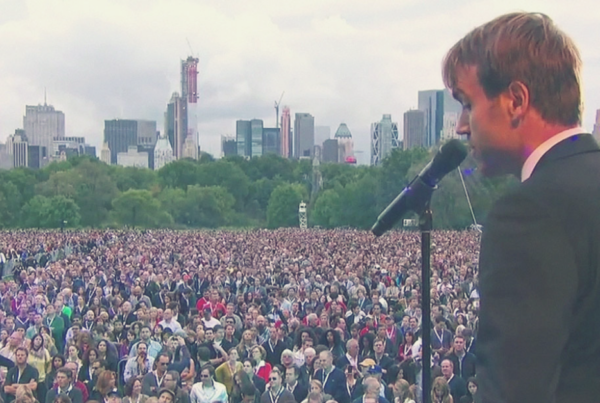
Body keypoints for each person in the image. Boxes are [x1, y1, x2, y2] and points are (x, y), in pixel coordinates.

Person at [443, 11, 600, 403]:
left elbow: (514, 390)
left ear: (515, 100)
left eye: (467, 103)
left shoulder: (530, 213)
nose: (461, 126)